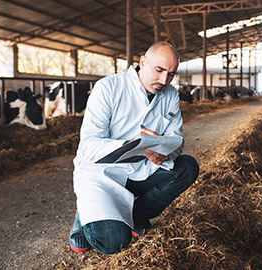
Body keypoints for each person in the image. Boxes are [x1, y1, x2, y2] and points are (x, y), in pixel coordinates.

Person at [69, 41, 199, 254]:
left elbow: (177, 139)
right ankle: (85, 214)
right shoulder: (108, 87)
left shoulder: (171, 95)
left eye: (171, 74)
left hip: (143, 169)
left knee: (187, 167)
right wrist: (129, 145)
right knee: (114, 242)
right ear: (143, 62)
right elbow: (89, 145)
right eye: (159, 70)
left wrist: (164, 153)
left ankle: (136, 217)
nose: (164, 80)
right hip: (103, 173)